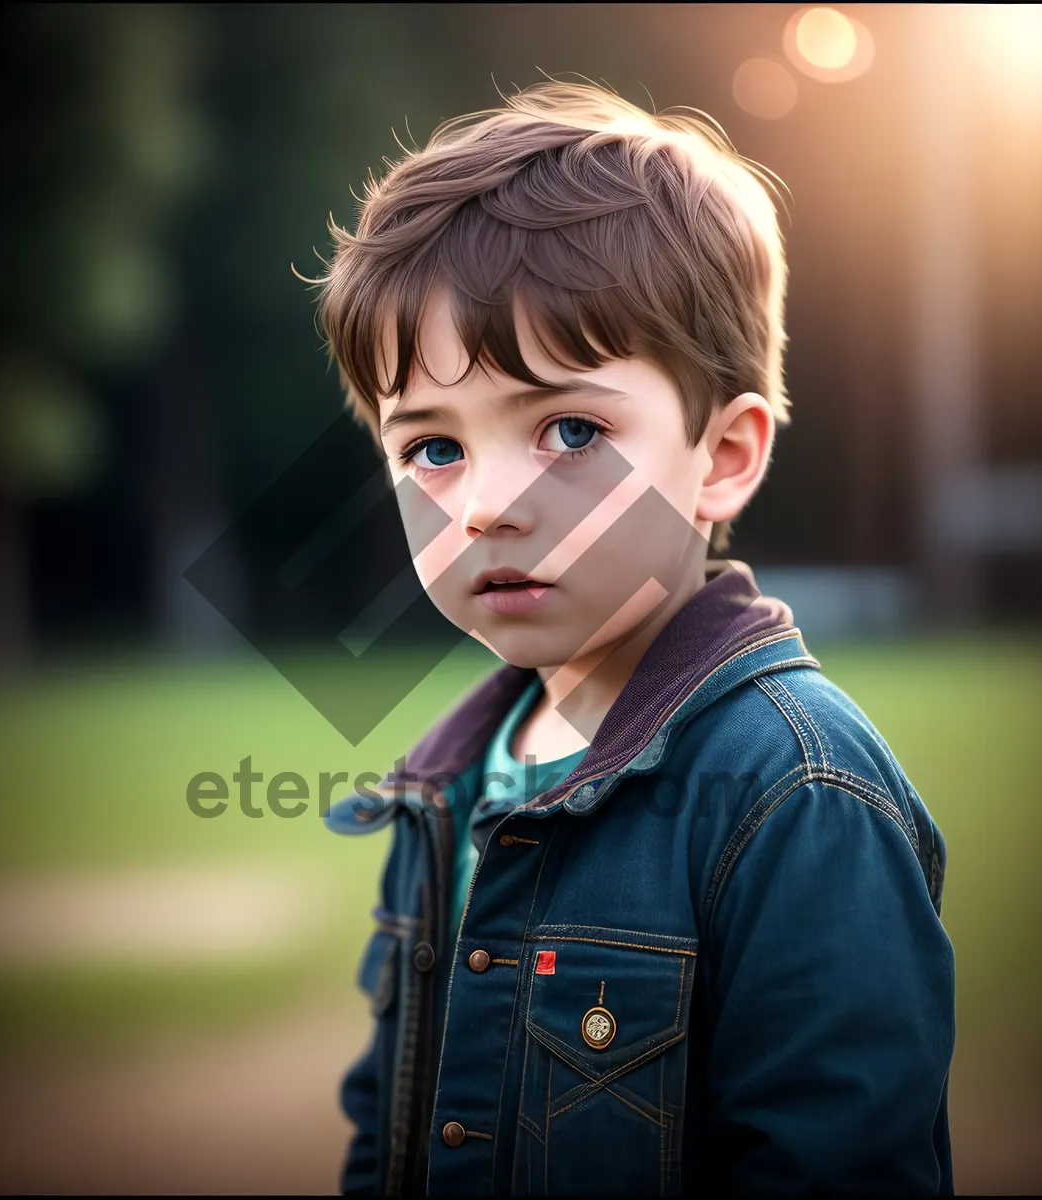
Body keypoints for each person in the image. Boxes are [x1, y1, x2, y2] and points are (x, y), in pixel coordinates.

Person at [304, 79, 955, 1195]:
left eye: (568, 428)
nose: (486, 505)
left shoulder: (797, 788)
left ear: (724, 455)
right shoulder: (444, 782)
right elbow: (390, 1127)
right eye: (432, 447)